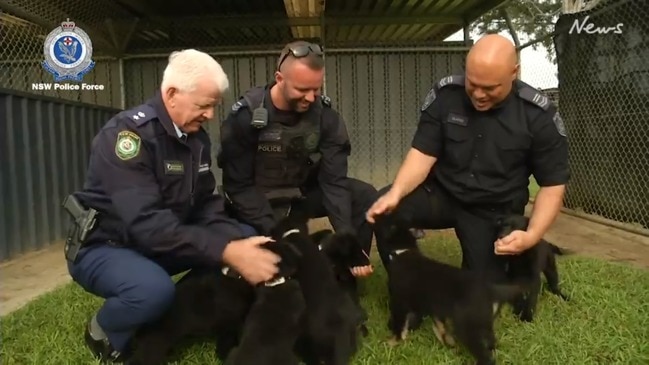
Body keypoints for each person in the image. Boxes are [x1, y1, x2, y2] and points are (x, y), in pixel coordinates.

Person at [65, 49, 281, 363]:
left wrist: (235, 243)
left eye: (214, 106)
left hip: (161, 241)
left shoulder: (196, 140)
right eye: (204, 105)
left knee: (241, 235)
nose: (210, 115)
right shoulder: (126, 137)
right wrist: (227, 252)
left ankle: (175, 313)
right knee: (153, 290)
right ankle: (105, 330)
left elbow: (207, 205)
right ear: (172, 94)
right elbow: (148, 224)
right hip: (108, 246)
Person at [366, 34, 570, 280]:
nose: (479, 95)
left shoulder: (538, 116)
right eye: (472, 83)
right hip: (443, 194)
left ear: (514, 72)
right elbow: (423, 152)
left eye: (490, 88)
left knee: (480, 291)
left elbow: (552, 185)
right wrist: (396, 193)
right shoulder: (446, 95)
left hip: (491, 207)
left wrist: (533, 235)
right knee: (385, 207)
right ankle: (407, 285)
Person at [218, 40, 376, 277]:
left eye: (316, 89)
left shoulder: (326, 118)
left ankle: (346, 271)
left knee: (364, 194)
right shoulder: (246, 117)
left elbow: (333, 183)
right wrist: (277, 229)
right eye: (302, 90)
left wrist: (348, 239)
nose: (310, 98)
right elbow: (237, 186)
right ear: (279, 79)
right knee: (262, 272)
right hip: (257, 203)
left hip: (300, 197)